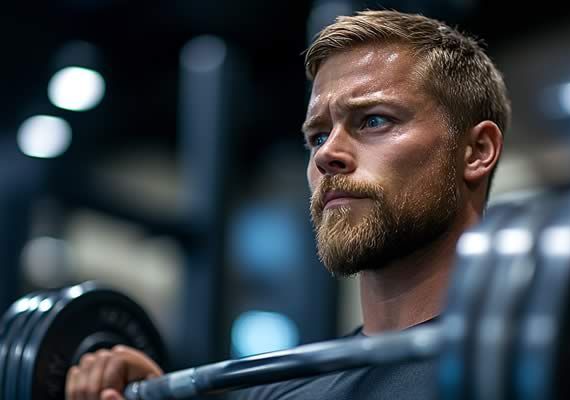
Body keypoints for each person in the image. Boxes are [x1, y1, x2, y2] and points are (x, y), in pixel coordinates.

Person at [65, 9, 509, 400]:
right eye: (317, 135)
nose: (326, 154)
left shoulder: (540, 364)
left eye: (374, 120)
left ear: (477, 151)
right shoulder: (279, 389)